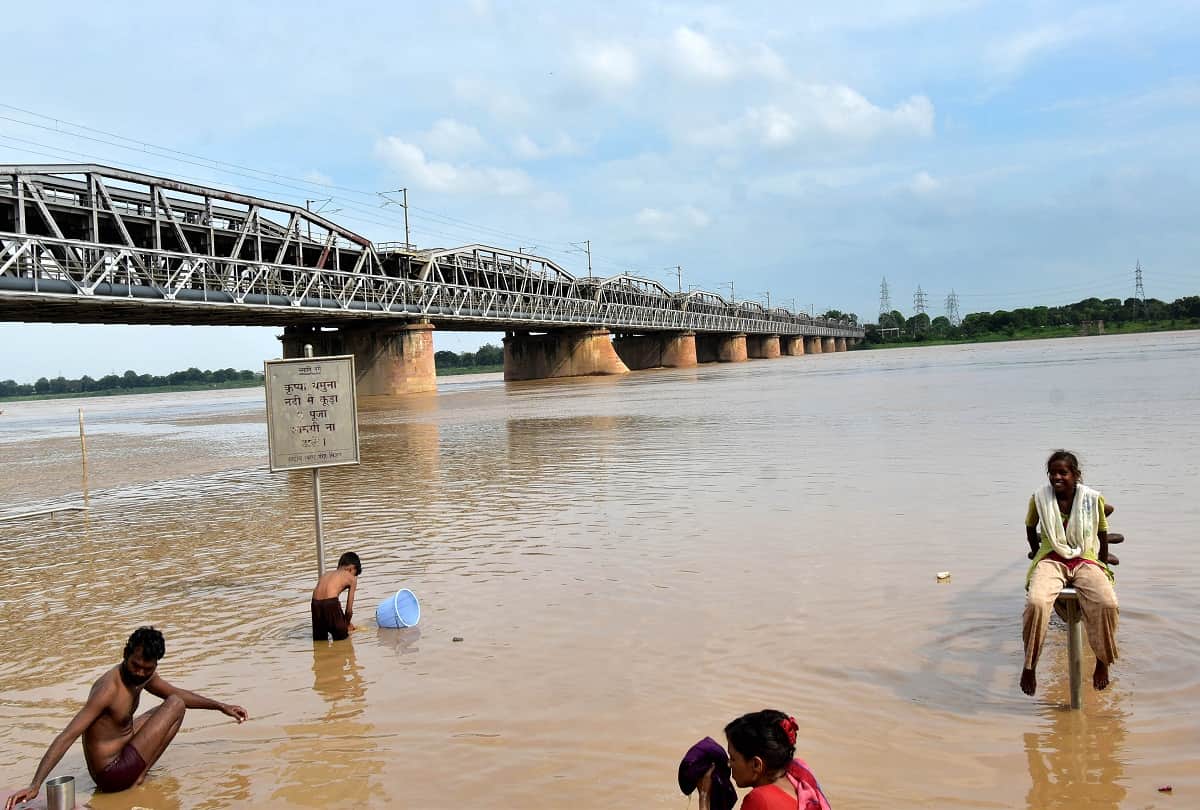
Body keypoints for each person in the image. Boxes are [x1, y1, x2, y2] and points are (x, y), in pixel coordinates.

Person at [4, 627, 247, 808]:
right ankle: (137, 778)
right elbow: (68, 735)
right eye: (136, 665)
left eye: (147, 669)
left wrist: (221, 706)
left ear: (155, 665)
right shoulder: (108, 689)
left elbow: (176, 691)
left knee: (170, 706)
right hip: (112, 774)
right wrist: (35, 785)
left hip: (122, 755)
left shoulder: (142, 676)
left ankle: (138, 774)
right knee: (175, 705)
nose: (140, 673)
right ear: (125, 655)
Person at [1020, 450, 1120, 696]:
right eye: (1052, 473)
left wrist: (1102, 563)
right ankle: (1030, 665)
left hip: (1084, 557)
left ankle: (1102, 661)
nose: (1057, 477)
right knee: (1036, 602)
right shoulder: (1039, 498)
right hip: (1051, 557)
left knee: (1107, 602)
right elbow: (1030, 527)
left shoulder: (1092, 499)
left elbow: (1102, 533)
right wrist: (1037, 553)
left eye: (1063, 472)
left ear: (1075, 475)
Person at [697, 709, 831, 810]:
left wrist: (704, 797)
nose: (729, 764)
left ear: (756, 764)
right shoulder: (800, 777)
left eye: (733, 758)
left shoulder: (759, 800)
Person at [311, 551, 361, 641]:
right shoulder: (352, 578)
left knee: (320, 641)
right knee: (343, 641)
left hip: (315, 603)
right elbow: (349, 610)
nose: (354, 576)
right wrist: (347, 624)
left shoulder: (326, 574)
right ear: (351, 568)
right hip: (330, 603)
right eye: (355, 573)